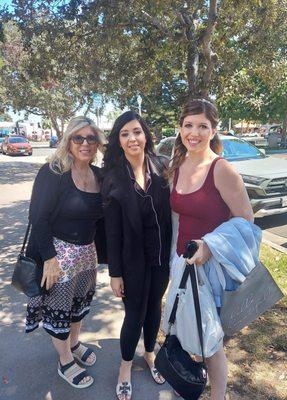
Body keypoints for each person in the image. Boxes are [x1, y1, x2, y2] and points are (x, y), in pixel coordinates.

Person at [168, 99, 254, 400]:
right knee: (188, 333)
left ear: (213, 130)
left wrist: (211, 246)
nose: (194, 132)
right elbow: (178, 219)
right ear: (180, 129)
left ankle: (218, 395)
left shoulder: (222, 169)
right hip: (182, 265)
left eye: (202, 126)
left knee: (211, 342)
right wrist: (172, 263)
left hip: (210, 270)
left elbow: (246, 219)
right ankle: (189, 383)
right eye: (188, 125)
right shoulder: (177, 166)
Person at [25, 116, 107, 389]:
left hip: (86, 255)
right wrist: (48, 258)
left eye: (91, 138)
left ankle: (74, 343)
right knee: (58, 311)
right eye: (78, 138)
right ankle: (64, 360)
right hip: (59, 256)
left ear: (98, 143)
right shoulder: (53, 172)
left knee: (79, 306)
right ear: (68, 141)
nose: (85, 143)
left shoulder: (99, 175)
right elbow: (38, 217)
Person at [102, 111, 172, 400]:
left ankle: (150, 354)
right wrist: (115, 273)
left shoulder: (162, 167)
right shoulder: (113, 178)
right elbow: (112, 232)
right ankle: (125, 366)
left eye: (137, 131)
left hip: (160, 256)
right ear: (118, 141)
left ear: (146, 135)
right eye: (125, 134)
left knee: (154, 306)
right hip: (131, 261)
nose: (132, 138)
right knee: (134, 314)